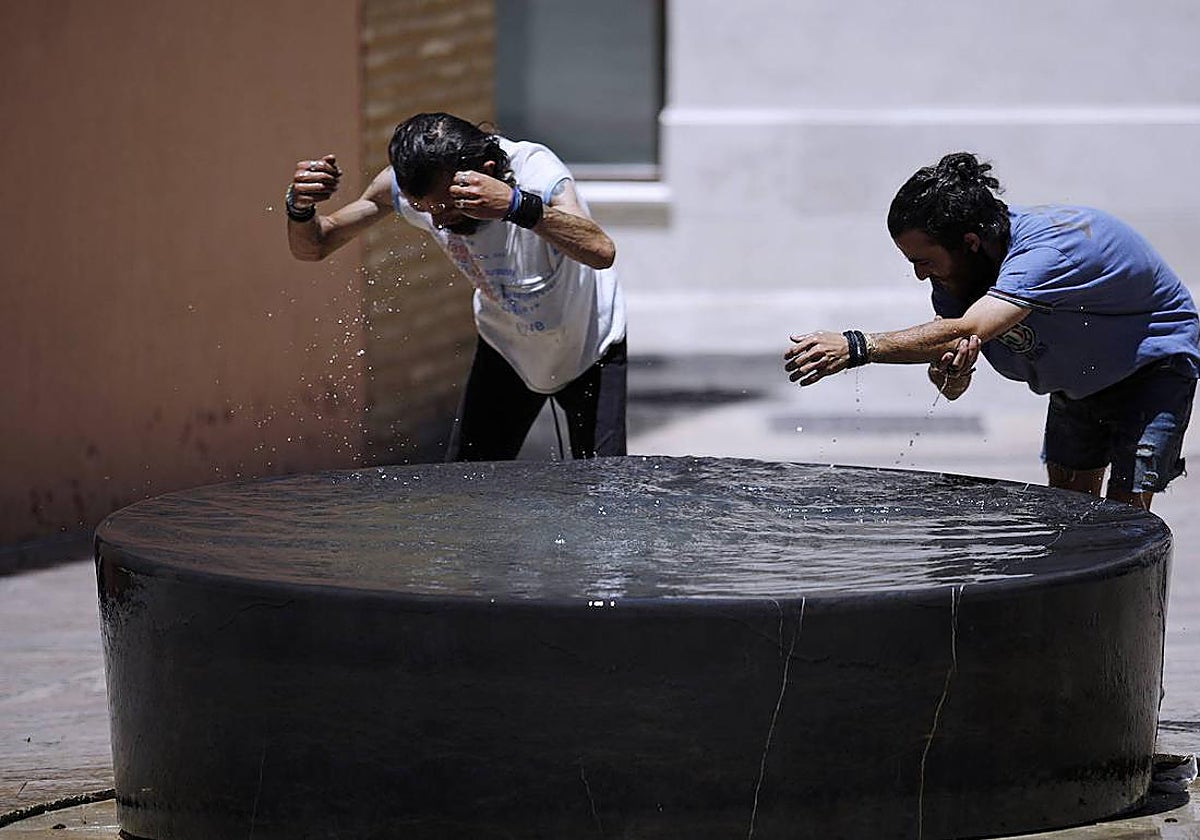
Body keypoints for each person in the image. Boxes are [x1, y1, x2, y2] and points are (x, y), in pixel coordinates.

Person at [783, 151, 1199, 510]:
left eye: (924, 260)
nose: (918, 274)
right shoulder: (957, 280)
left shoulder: (1049, 249)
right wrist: (954, 370)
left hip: (1151, 370)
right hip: (1078, 384)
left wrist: (858, 346)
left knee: (1124, 524)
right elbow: (950, 380)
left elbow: (965, 328)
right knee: (1072, 515)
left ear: (970, 242)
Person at [285, 112, 627, 461]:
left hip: (589, 341)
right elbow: (315, 246)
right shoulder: (402, 190)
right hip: (508, 346)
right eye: (424, 209)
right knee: (467, 489)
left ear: (486, 172)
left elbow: (601, 251)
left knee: (604, 492)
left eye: (448, 207)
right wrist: (299, 207)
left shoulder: (536, 173)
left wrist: (515, 205)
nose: (437, 221)